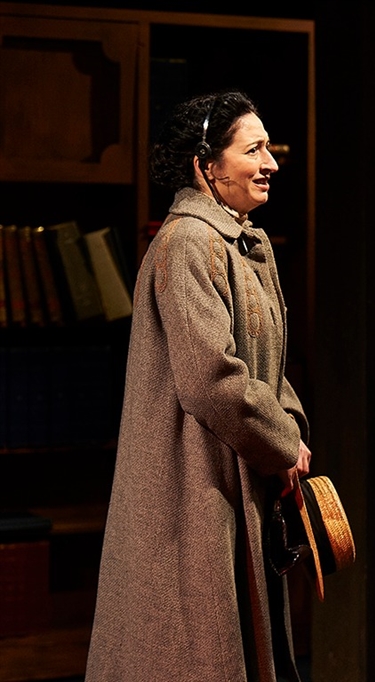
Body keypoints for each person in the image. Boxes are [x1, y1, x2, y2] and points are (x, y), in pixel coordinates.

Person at [86, 91, 311, 682]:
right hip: (193, 480)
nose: (270, 164)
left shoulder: (240, 241)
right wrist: (281, 442)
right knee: (191, 648)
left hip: (236, 469)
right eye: (253, 150)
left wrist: (289, 430)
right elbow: (210, 379)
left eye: (269, 149)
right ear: (206, 165)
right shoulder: (190, 242)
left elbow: (268, 363)